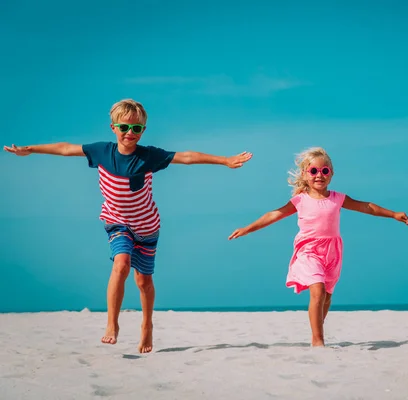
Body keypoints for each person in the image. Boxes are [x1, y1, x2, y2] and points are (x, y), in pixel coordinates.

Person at [3, 99, 253, 353]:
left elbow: (187, 157)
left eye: (136, 128)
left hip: (147, 226)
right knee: (121, 264)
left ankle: (147, 325)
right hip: (116, 221)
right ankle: (112, 323)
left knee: (143, 281)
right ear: (113, 127)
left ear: (143, 130)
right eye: (124, 127)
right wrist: (31, 148)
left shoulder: (149, 156)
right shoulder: (102, 151)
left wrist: (224, 160)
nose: (129, 133)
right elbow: (66, 149)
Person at [228, 147, 408, 347]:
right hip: (309, 250)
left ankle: (317, 327)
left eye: (324, 171)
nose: (319, 175)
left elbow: (366, 207)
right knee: (318, 291)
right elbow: (274, 215)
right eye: (313, 171)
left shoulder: (338, 198)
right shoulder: (300, 200)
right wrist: (247, 228)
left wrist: (393, 214)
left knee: (327, 296)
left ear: (331, 174)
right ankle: (318, 340)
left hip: (333, 252)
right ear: (305, 174)